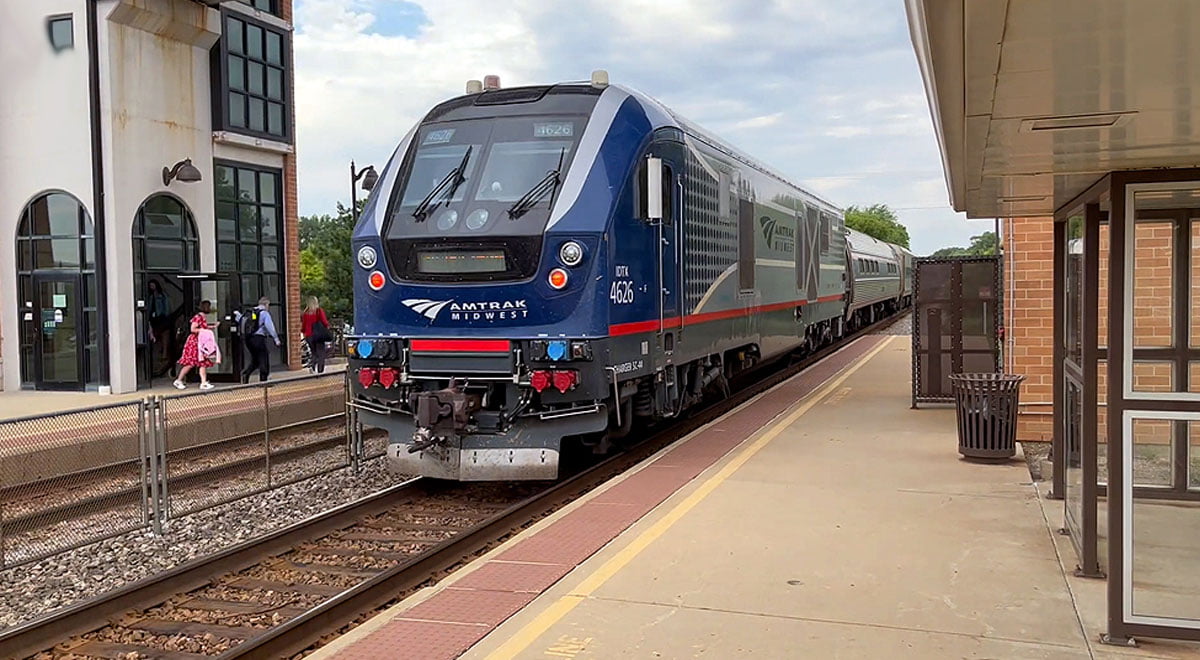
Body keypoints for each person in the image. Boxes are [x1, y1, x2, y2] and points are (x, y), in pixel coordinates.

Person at [174, 300, 215, 390]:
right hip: (195, 342)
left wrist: (210, 327)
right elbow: (193, 329)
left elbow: (201, 327)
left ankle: (203, 382)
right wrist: (204, 330)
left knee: (202, 361)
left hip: (200, 342)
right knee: (190, 363)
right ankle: (179, 380)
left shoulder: (202, 317)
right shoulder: (198, 317)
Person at [242, 296, 281, 383]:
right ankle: (263, 380)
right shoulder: (264, 313)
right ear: (266, 304)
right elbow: (270, 327)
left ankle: (246, 374)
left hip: (248, 339)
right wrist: (276, 339)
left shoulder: (250, 312)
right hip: (258, 338)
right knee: (264, 358)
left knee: (255, 359)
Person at [301, 296, 332, 373]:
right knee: (321, 353)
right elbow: (324, 321)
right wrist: (328, 326)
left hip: (309, 336)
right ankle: (320, 371)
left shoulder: (305, 313)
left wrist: (304, 332)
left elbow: (304, 326)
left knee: (314, 352)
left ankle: (312, 366)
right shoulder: (318, 311)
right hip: (318, 335)